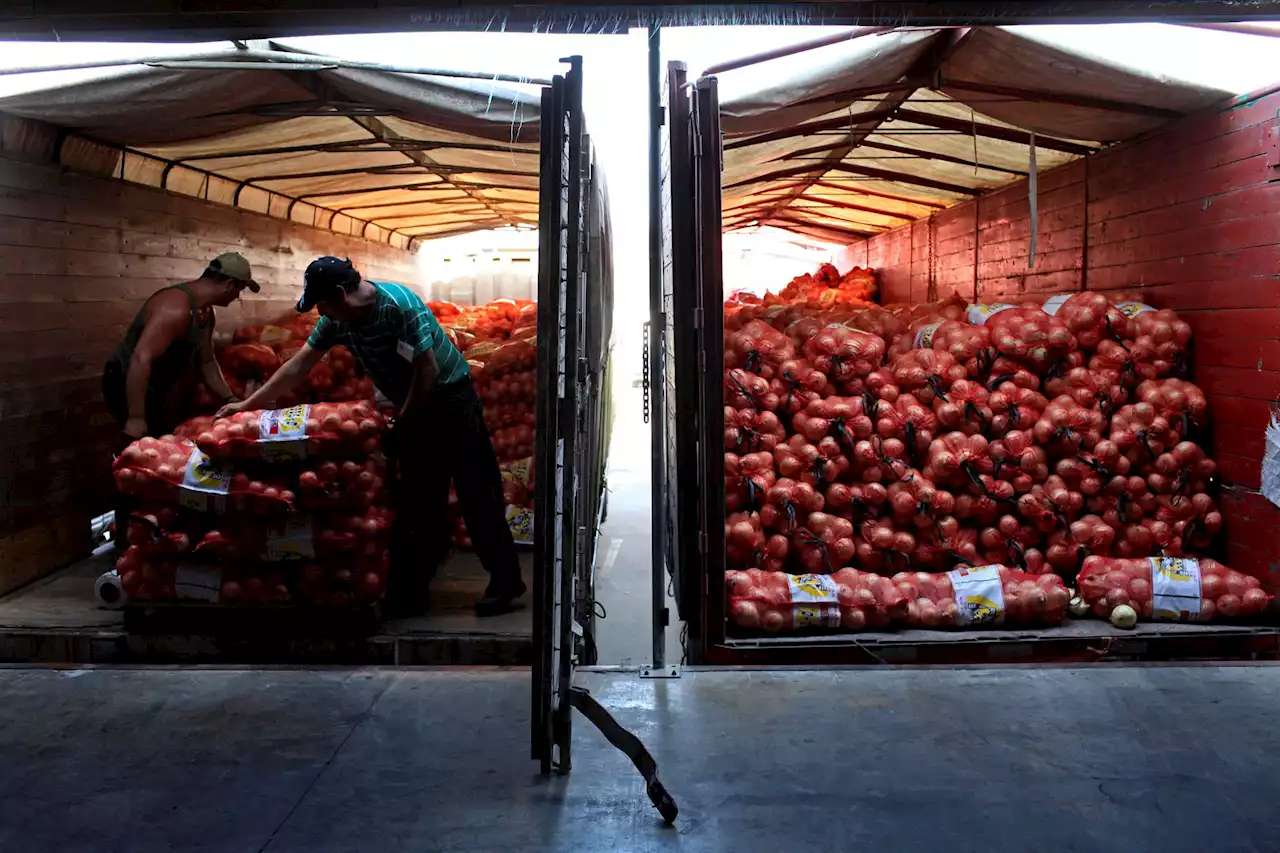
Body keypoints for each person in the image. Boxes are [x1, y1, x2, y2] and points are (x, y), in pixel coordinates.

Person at [217, 256, 527, 617]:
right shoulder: (337, 319)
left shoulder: (399, 306)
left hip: (450, 398)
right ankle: (412, 591)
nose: (322, 312)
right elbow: (300, 364)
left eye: (323, 303)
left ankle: (506, 583)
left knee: (477, 491)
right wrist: (248, 404)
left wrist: (404, 422)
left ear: (340, 293)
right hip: (409, 402)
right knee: (419, 500)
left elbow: (427, 370)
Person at [103, 251, 258, 440]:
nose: (237, 296)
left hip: (158, 384)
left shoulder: (206, 313)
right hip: (129, 380)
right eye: (239, 290)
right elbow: (141, 358)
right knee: (139, 441)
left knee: (164, 436)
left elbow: (207, 361)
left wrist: (229, 399)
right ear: (229, 285)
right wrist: (136, 417)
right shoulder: (175, 309)